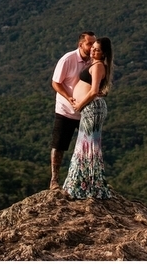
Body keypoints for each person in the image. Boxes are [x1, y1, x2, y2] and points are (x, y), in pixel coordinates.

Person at [62, 37, 114, 199]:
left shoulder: (98, 66)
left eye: (97, 50)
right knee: (86, 145)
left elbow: (93, 91)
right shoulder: (95, 64)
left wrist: (80, 105)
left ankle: (87, 187)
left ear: (103, 53)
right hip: (90, 108)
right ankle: (85, 185)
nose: (93, 50)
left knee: (87, 146)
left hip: (91, 108)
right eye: (93, 48)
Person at [49, 31, 96, 190]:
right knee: (59, 145)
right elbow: (56, 83)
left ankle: (86, 182)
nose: (92, 47)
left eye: (94, 44)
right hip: (66, 110)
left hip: (85, 111)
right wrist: (69, 98)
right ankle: (54, 180)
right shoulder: (68, 59)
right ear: (80, 44)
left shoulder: (94, 61)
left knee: (89, 147)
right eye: (89, 44)